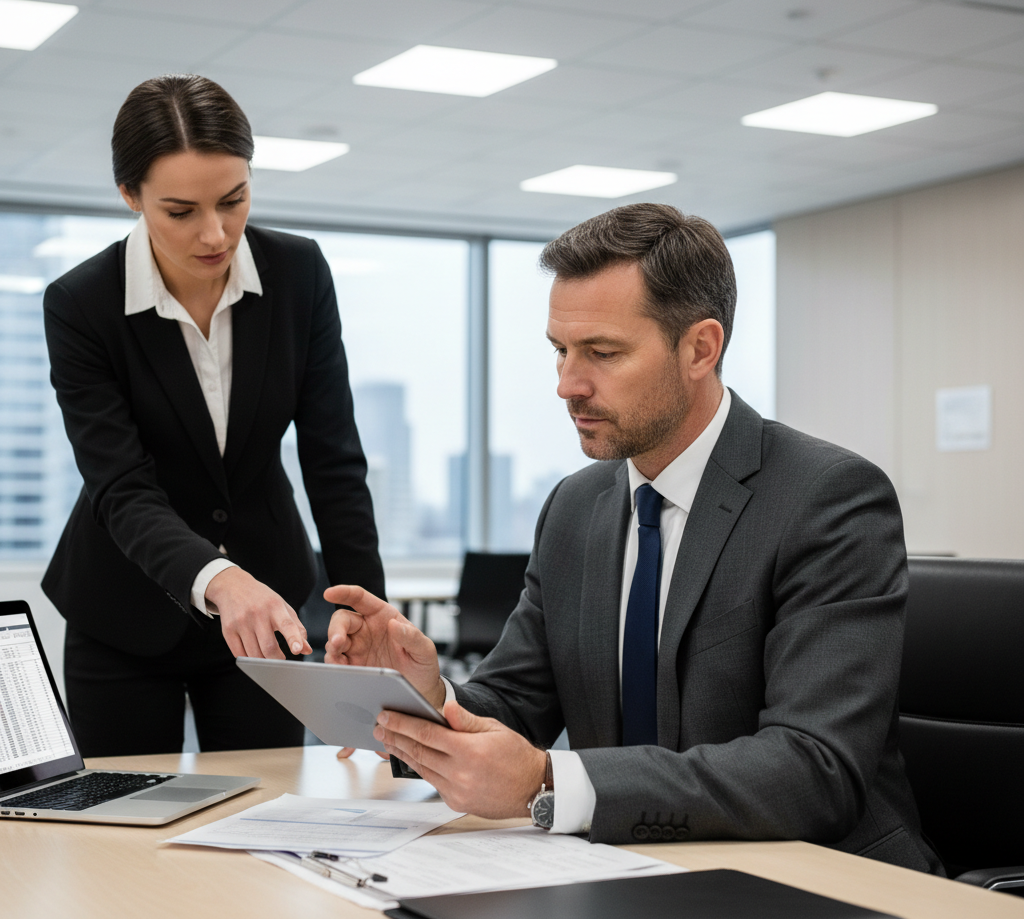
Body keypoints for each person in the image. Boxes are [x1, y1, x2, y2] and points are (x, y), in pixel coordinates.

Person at [323, 203, 942, 874]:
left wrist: (547, 783)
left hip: (820, 877)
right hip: (626, 870)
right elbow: (512, 706)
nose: (566, 385)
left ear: (700, 348)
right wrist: (425, 696)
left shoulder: (827, 498)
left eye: (603, 353)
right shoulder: (576, 507)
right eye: (561, 350)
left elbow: (812, 768)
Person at [43, 74, 384, 757]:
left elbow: (333, 458)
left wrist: (361, 611)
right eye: (180, 210)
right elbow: (121, 486)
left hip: (270, 605)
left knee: (268, 811)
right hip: (125, 610)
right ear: (130, 197)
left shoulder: (299, 273)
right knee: (122, 829)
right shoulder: (83, 304)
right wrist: (220, 582)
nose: (215, 232)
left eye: (234, 200)